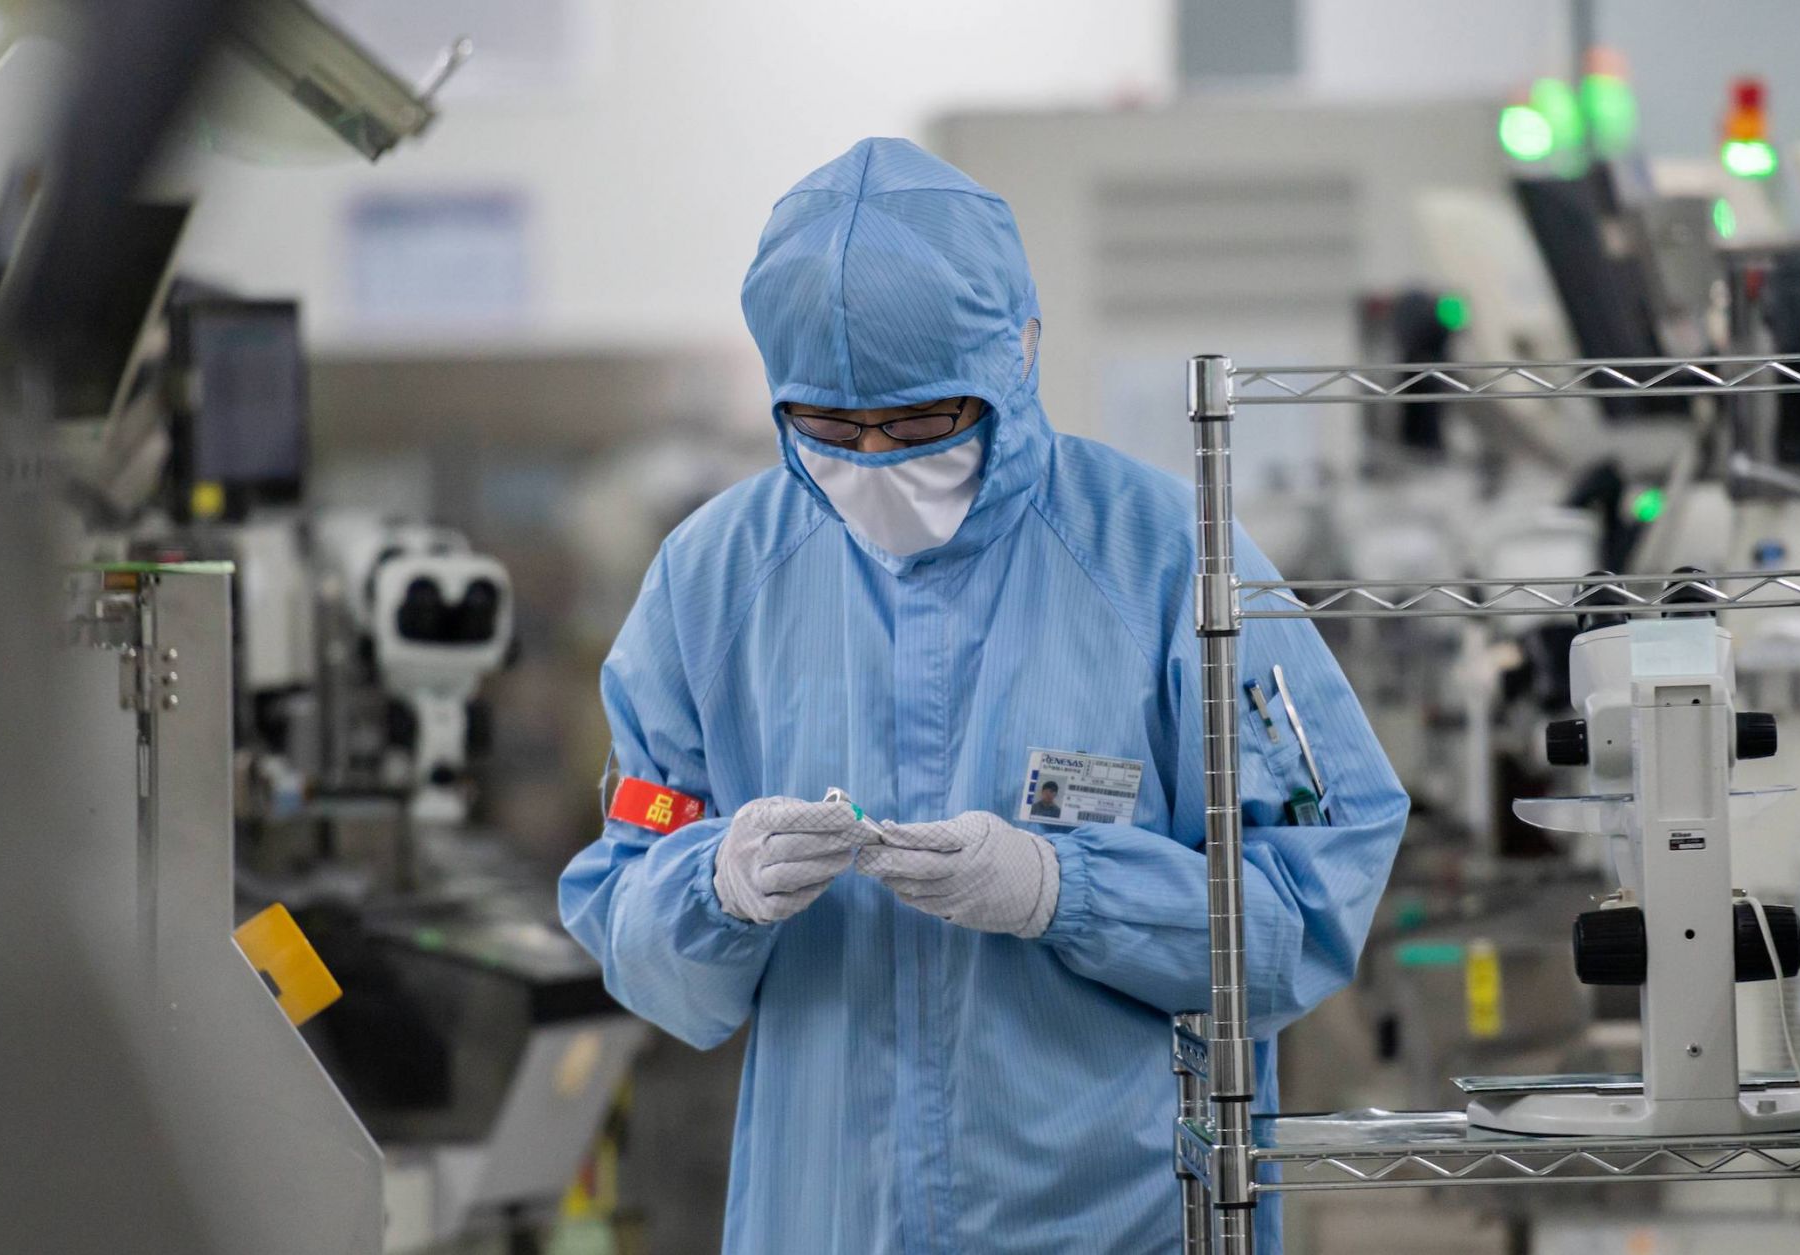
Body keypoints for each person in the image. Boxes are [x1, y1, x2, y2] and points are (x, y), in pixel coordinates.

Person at [559, 137, 1409, 1254]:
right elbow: (629, 903)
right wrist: (712, 884)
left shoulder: (1167, 557)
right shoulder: (715, 580)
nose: (874, 460)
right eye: (828, 427)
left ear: (1020, 353)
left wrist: (1066, 890)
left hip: (1115, 1219)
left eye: (918, 425)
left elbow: (1311, 896)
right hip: (824, 1219)